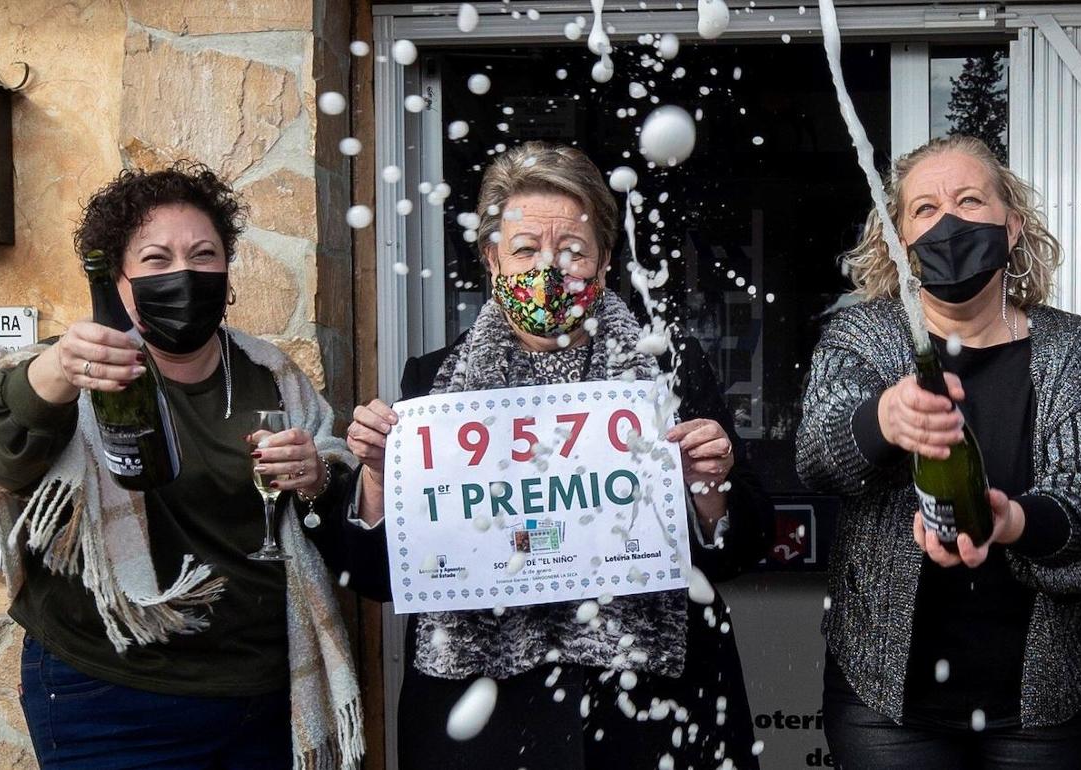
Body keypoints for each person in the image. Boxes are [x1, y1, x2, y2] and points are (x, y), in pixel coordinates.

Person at [327, 141, 775, 769]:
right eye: (526, 250)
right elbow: (376, 578)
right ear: (491, 259)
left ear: (605, 260)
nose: (549, 269)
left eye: (572, 250)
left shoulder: (667, 371)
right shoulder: (432, 386)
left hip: (648, 715)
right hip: (487, 718)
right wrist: (377, 478)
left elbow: (740, 545)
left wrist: (709, 487)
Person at [0, 163, 364, 770]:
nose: (184, 273)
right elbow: (4, 457)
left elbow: (332, 505)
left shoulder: (271, 373)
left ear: (227, 272)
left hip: (260, 693)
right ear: (118, 280)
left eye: (204, 254)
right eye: (156, 259)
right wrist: (53, 373)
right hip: (110, 697)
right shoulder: (82, 372)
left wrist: (315, 476)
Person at [796, 135, 1081, 769]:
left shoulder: (1074, 349)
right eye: (924, 209)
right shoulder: (863, 335)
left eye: (970, 199)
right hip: (885, 705)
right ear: (898, 240)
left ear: (1012, 226)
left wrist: (1012, 521)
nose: (948, 221)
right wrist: (883, 419)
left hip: (1046, 705)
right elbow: (817, 454)